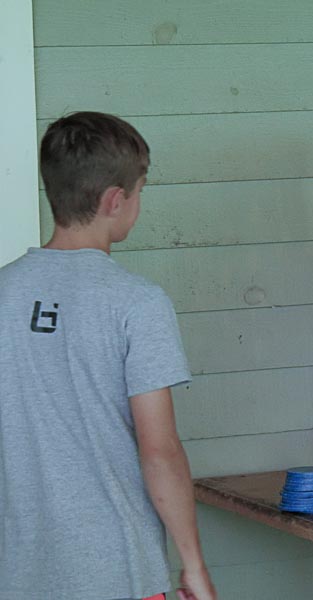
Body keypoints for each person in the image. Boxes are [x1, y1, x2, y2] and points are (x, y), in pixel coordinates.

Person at [0, 112, 217, 600]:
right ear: (115, 201)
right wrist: (193, 566)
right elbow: (159, 451)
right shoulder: (136, 303)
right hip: (116, 571)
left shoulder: (2, 294)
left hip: (17, 572)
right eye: (140, 191)